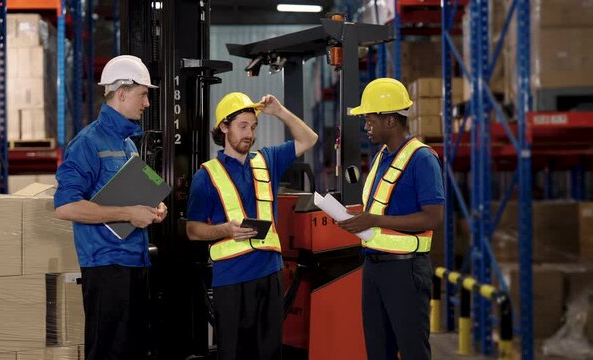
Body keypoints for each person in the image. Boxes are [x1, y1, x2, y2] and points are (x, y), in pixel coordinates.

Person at [186, 92, 318, 360]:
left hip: (270, 276)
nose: (249, 134)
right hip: (231, 281)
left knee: (269, 354)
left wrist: (280, 111)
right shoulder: (205, 176)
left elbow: (309, 139)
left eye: (253, 126)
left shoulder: (267, 160)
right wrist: (226, 230)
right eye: (242, 126)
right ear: (224, 127)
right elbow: (193, 230)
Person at [53, 55, 167, 360]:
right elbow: (65, 207)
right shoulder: (87, 143)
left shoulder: (128, 143)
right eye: (143, 94)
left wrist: (154, 205)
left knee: (133, 351)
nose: (147, 104)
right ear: (121, 93)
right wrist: (129, 213)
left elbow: (136, 194)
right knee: (108, 353)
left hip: (134, 263)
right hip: (106, 268)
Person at [337, 78, 444, 360]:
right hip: (374, 268)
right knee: (378, 351)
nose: (366, 127)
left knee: (412, 351)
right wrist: (355, 218)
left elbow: (433, 218)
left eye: (370, 120)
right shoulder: (382, 157)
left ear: (390, 121)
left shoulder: (422, 159)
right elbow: (379, 210)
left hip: (406, 272)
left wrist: (373, 221)